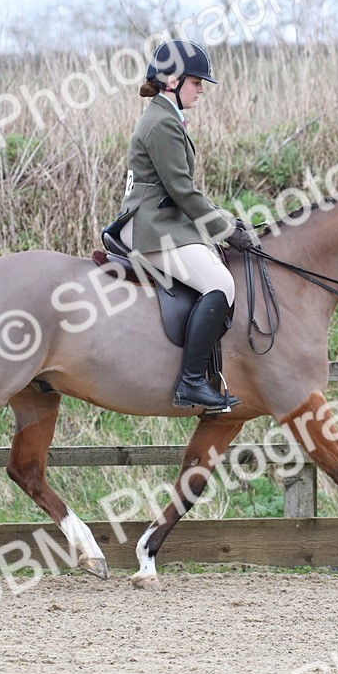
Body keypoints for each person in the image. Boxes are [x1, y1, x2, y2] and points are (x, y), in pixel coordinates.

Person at [114, 40, 258, 412]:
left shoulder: (164, 117)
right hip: (152, 227)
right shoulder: (161, 122)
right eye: (197, 83)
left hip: (163, 221)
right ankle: (191, 382)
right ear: (172, 81)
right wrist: (225, 230)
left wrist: (226, 221)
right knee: (221, 283)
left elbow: (182, 191)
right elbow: (182, 190)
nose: (201, 91)